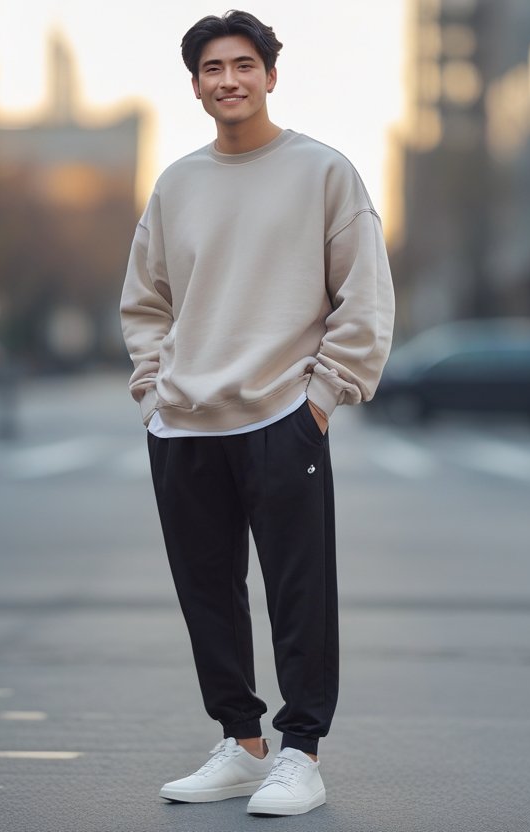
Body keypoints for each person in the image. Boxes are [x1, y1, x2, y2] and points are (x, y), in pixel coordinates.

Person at [119, 9, 394, 818]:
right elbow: (145, 302)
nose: (228, 80)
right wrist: (151, 391)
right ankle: (241, 744)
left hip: (283, 415)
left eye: (244, 65)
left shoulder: (324, 172)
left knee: (299, 592)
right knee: (206, 591)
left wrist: (322, 397)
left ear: (271, 75)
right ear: (196, 85)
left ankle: (301, 754)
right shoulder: (176, 184)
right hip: (185, 423)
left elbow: (364, 298)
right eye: (212, 69)